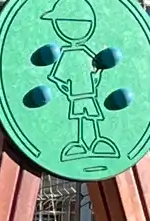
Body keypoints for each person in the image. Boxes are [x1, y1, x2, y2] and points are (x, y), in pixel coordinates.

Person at [44, 0, 122, 161]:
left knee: (92, 117)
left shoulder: (85, 50)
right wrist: (64, 86)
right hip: (77, 94)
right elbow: (54, 76)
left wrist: (96, 77)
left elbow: (96, 67)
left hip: (88, 93)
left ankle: (97, 140)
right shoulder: (64, 52)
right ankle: (80, 143)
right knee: (80, 118)